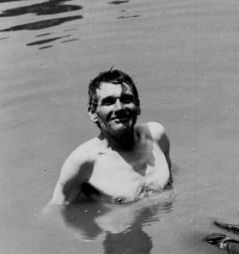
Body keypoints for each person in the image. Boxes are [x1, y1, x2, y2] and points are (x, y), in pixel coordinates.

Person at [49, 69, 172, 205]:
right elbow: (57, 211)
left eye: (126, 99)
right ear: (92, 113)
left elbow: (171, 185)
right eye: (109, 102)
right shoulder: (84, 162)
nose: (119, 108)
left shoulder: (156, 136)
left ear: (137, 106)